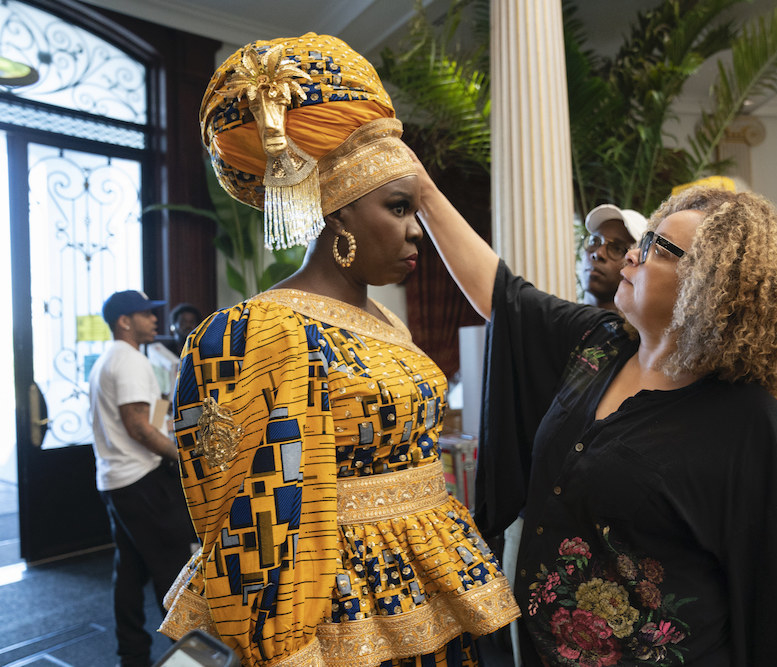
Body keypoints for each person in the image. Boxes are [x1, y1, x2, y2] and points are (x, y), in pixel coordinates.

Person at [158, 33, 518, 667]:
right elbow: (255, 524)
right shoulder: (259, 332)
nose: (417, 228)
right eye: (400, 206)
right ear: (338, 214)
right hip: (340, 611)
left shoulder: (380, 320)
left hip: (426, 583)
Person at [414, 169, 777, 665]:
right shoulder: (603, 342)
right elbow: (504, 295)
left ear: (711, 287)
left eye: (659, 248)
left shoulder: (744, 419)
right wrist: (422, 191)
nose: (633, 253)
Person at [89, 289, 197, 667]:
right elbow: (138, 427)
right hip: (141, 482)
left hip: (116, 482)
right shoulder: (131, 360)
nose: (155, 319)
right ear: (124, 322)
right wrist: (185, 457)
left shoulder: (107, 359)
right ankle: (187, 662)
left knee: (130, 572)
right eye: (145, 314)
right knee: (177, 578)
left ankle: (132, 657)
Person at [579, 204, 646, 310]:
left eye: (617, 248)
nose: (598, 253)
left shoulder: (641, 326)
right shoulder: (557, 321)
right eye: (594, 241)